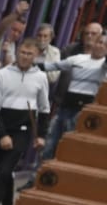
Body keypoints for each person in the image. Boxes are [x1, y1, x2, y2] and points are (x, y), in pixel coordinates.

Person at [0, 38, 49, 205]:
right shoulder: (3, 74)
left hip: (23, 130)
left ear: (36, 55)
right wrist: (1, 134)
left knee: (3, 172)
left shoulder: (40, 77)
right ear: (17, 52)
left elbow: (44, 108)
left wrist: (42, 135)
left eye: (29, 53)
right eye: (22, 52)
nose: (25, 57)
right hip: (2, 125)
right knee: (6, 172)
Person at [33, 26, 106, 164]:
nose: (100, 46)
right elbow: (52, 66)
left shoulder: (104, 65)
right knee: (49, 145)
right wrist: (30, 62)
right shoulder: (78, 58)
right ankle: (37, 177)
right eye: (99, 42)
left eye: (104, 44)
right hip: (64, 108)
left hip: (84, 112)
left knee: (69, 147)